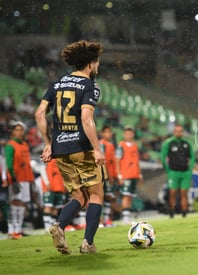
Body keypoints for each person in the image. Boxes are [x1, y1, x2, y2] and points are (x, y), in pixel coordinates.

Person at [34, 40, 106, 254]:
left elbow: (39, 114)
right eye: (97, 63)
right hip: (82, 148)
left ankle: (59, 226)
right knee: (96, 195)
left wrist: (49, 144)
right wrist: (97, 148)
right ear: (91, 64)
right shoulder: (90, 86)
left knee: (78, 196)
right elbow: (86, 117)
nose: (98, 67)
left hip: (61, 150)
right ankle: (88, 243)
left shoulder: (56, 85)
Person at [4, 121, 35, 239]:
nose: (19, 132)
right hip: (16, 179)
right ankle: (11, 230)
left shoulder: (25, 145)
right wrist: (12, 178)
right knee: (15, 202)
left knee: (22, 203)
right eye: (17, 130)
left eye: (21, 130)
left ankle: (18, 229)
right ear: (12, 132)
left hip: (26, 178)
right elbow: (9, 163)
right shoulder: (10, 145)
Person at [161, 125, 195, 218]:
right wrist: (167, 169)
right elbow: (163, 157)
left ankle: (184, 212)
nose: (179, 133)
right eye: (177, 131)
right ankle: (171, 212)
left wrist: (190, 168)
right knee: (172, 193)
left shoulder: (187, 143)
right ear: (174, 132)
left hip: (185, 172)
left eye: (180, 131)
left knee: (184, 193)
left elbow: (192, 157)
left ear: (183, 132)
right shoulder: (168, 143)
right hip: (173, 172)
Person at [116, 126, 143, 225]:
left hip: (134, 174)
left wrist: (139, 174)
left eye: (130, 133)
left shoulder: (135, 146)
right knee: (126, 195)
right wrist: (119, 175)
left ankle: (127, 216)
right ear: (124, 135)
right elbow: (117, 160)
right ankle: (125, 218)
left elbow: (137, 161)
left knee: (130, 196)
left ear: (133, 134)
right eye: (127, 134)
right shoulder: (121, 145)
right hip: (125, 174)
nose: (129, 135)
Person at [41, 158, 67, 232]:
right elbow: (42, 169)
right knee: (48, 206)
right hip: (50, 186)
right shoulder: (47, 155)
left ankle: (52, 227)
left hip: (59, 186)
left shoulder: (61, 158)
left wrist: (64, 184)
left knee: (56, 208)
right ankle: (47, 227)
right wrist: (47, 183)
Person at [99, 125, 117, 227]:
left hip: (110, 174)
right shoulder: (102, 144)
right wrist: (109, 176)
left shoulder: (111, 145)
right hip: (103, 175)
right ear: (102, 133)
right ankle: (100, 221)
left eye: (110, 132)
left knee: (109, 197)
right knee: (100, 197)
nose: (109, 134)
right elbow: (103, 161)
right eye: (106, 132)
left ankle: (106, 220)